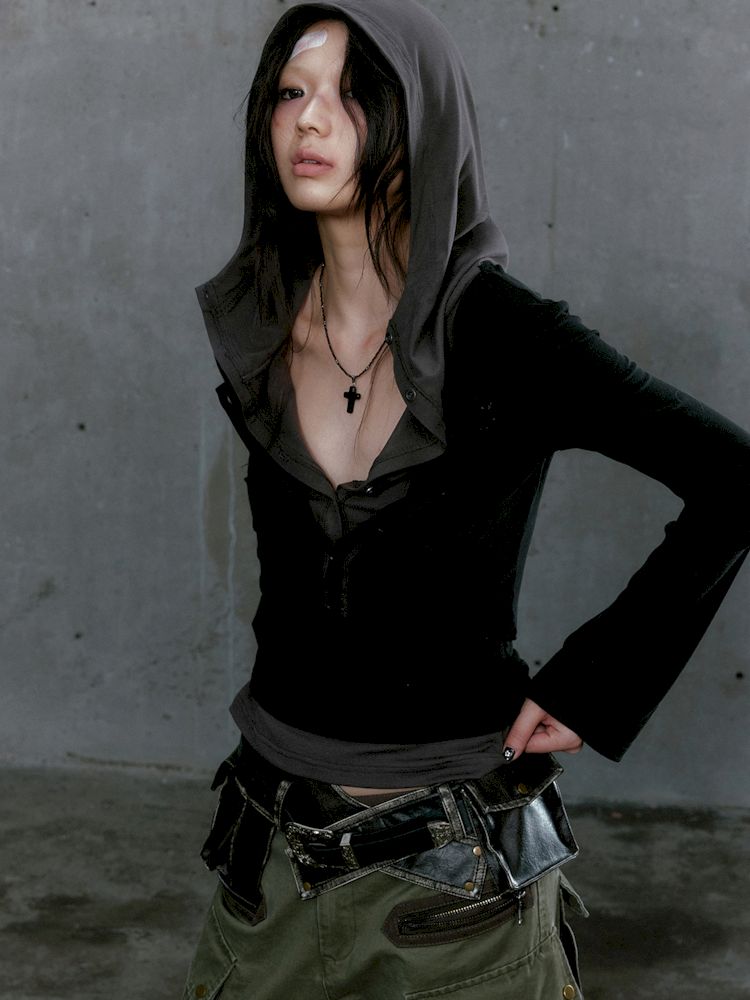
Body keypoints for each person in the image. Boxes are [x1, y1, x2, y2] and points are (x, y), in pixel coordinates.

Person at [184, 2, 750, 997]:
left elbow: (735, 475)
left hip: (456, 896)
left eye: (353, 95)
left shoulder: (507, 335)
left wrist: (596, 681)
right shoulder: (262, 326)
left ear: (427, 123)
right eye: (290, 92)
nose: (309, 118)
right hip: (264, 870)